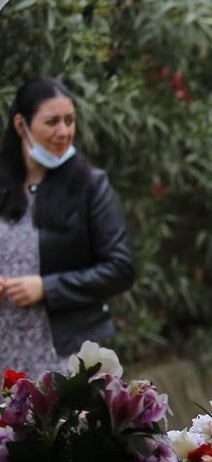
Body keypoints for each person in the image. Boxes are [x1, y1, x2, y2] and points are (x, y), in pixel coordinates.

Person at [0, 76, 134, 374]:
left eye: (69, 121)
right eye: (52, 122)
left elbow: (120, 268)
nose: (64, 132)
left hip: (64, 354)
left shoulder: (89, 185)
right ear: (21, 125)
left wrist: (47, 288)